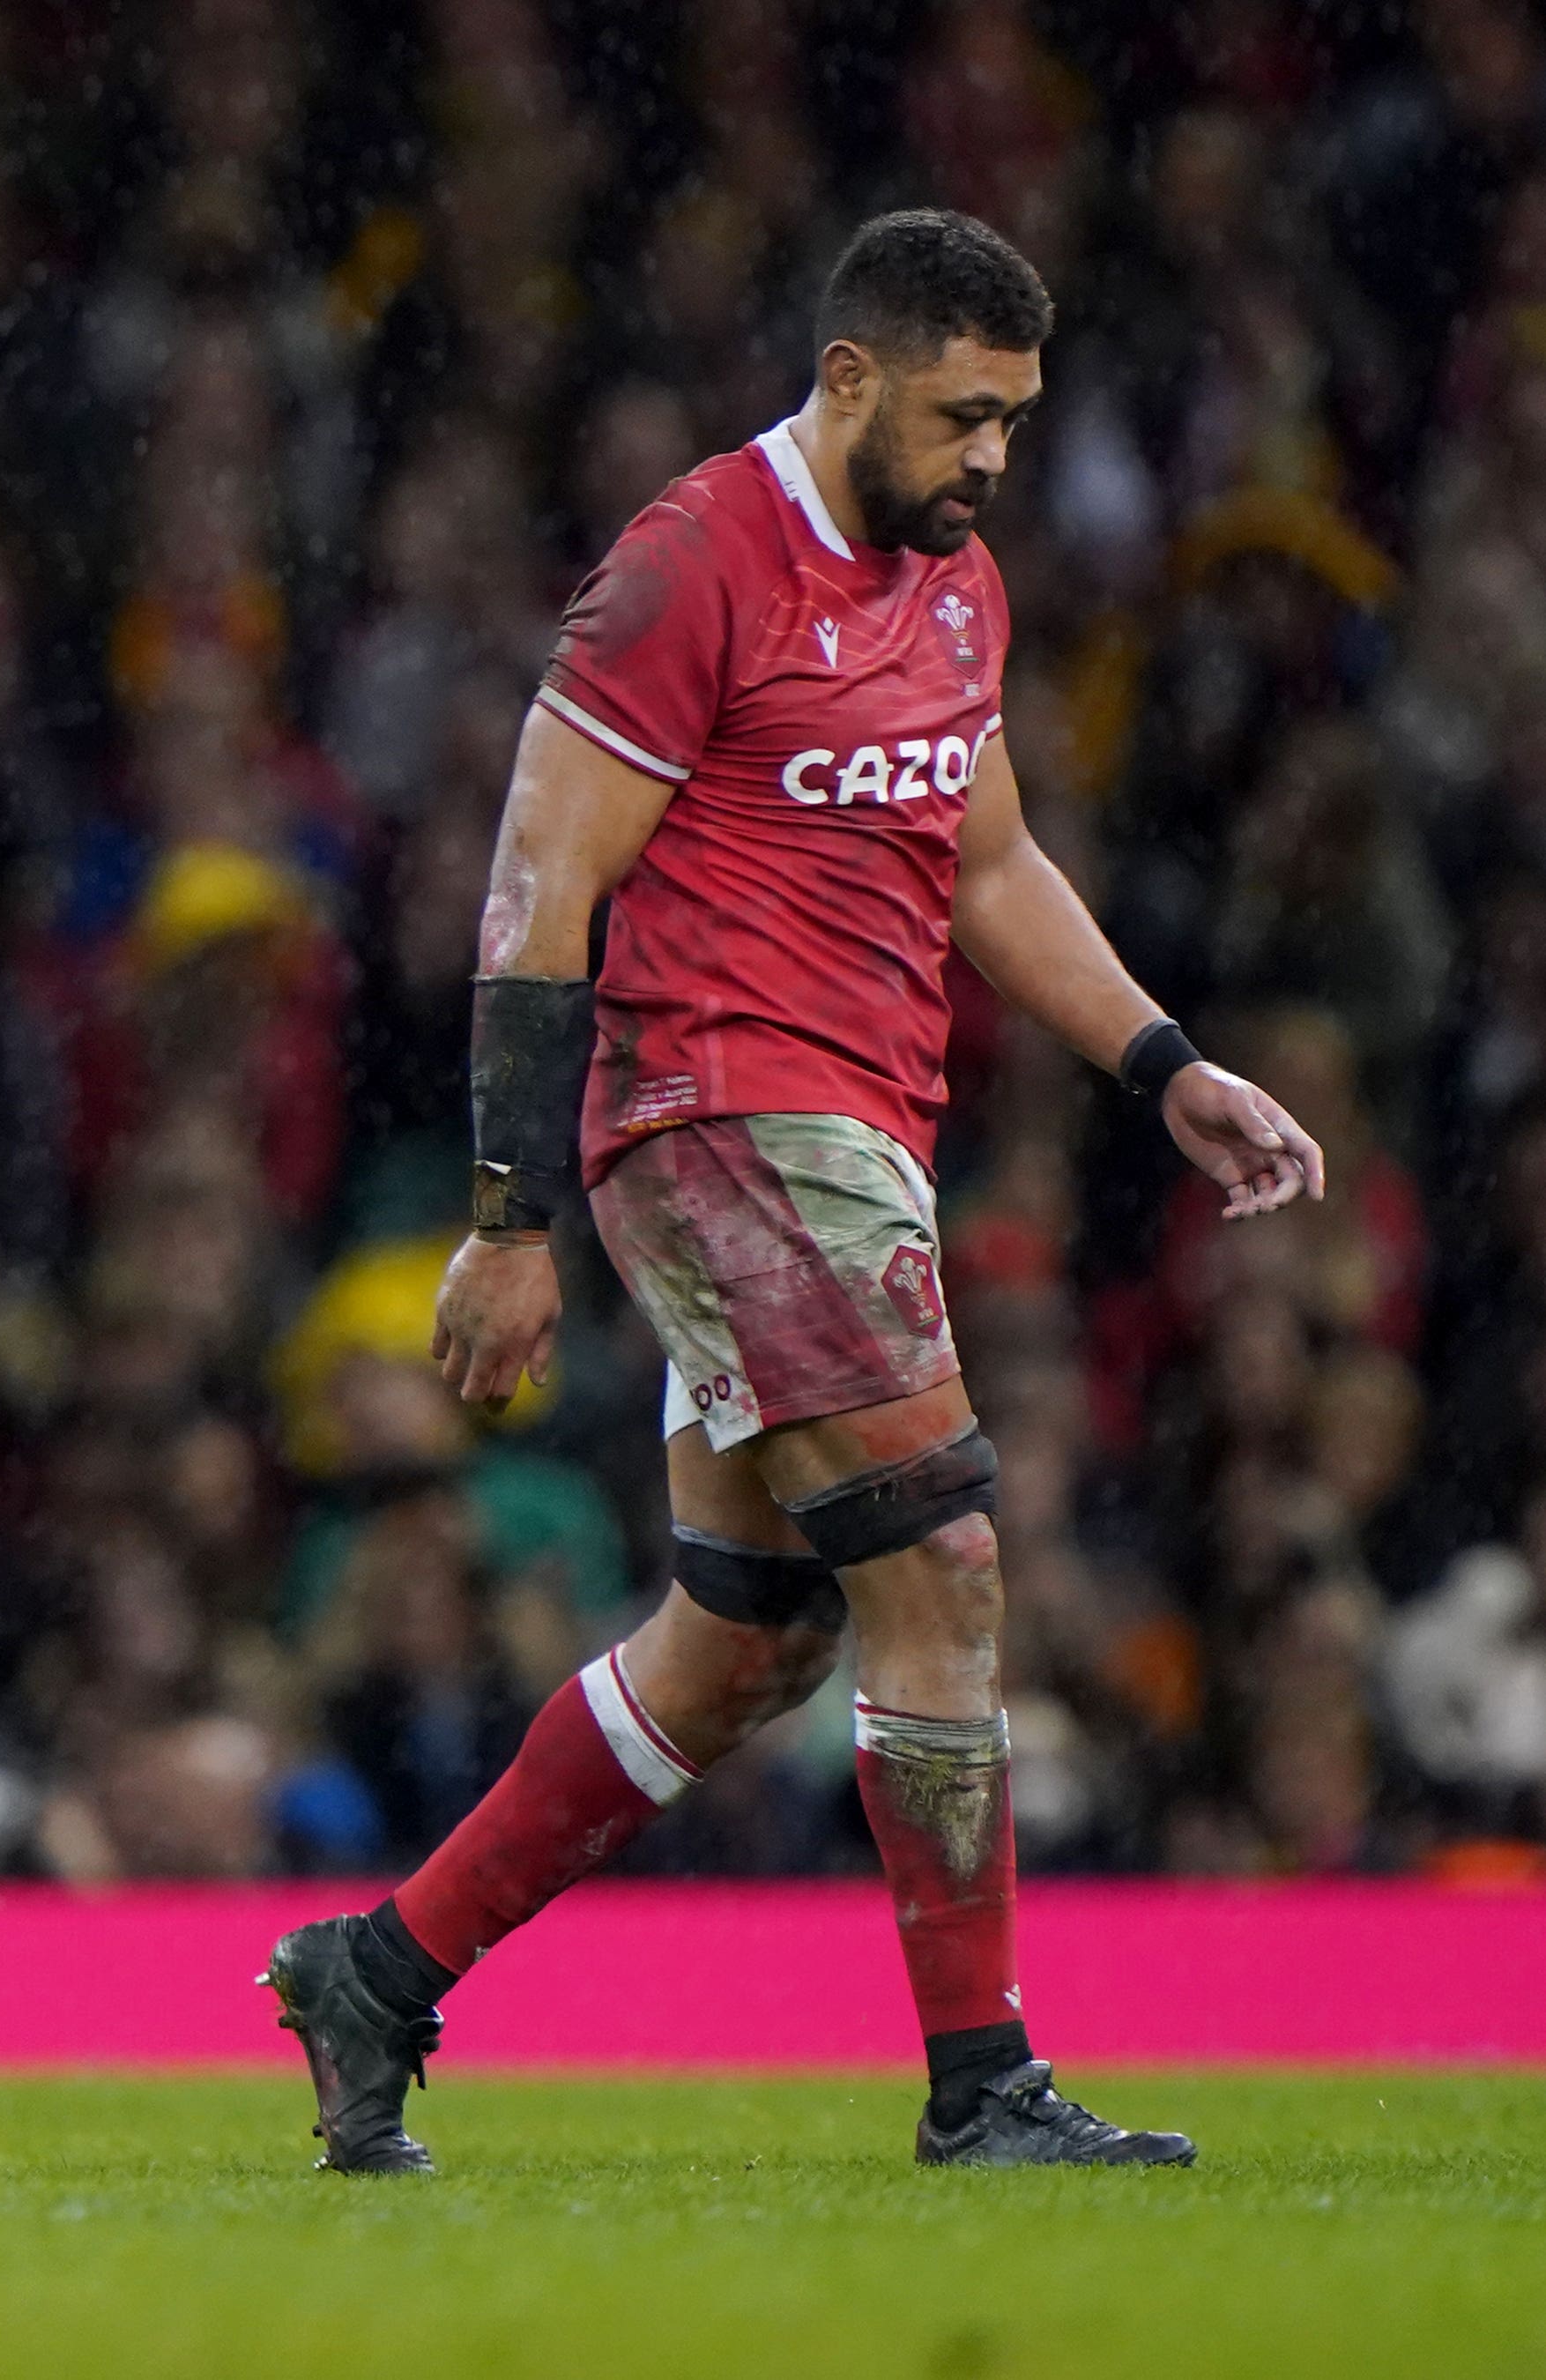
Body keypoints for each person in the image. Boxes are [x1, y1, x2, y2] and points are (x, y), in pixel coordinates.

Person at [264, 212, 1324, 2175]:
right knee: (946, 1561)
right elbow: (535, 894)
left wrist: (1165, 1065)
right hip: (722, 1120)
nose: (991, 457)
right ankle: (984, 2082)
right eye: (961, 415)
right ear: (850, 380)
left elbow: (989, 868)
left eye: (1014, 419)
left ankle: (376, 1977)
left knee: (747, 1635)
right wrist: (507, 1226)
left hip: (862, 1132)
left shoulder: (955, 582)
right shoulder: (687, 566)